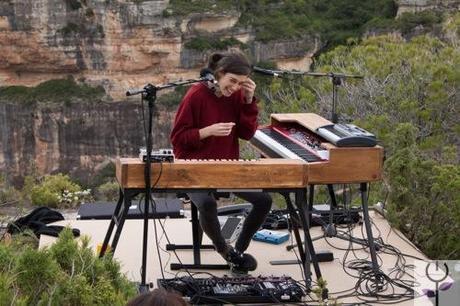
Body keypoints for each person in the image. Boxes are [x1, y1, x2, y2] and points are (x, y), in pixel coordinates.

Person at [170, 51, 272, 275]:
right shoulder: (196, 94)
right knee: (207, 204)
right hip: (193, 167)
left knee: (264, 200)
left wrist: (247, 101)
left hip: (225, 166)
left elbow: (246, 133)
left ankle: (240, 251)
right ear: (219, 74)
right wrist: (207, 132)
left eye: (241, 83)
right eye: (232, 81)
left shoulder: (237, 96)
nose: (235, 87)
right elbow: (178, 139)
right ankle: (224, 250)